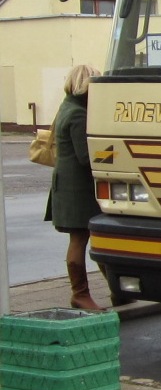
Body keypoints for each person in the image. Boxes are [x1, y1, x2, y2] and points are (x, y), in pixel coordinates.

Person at [44, 64, 103, 310]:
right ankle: (80, 294)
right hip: (76, 191)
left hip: (68, 187)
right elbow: (85, 156)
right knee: (80, 239)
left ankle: (115, 290)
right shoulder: (78, 114)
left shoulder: (67, 106)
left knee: (94, 236)